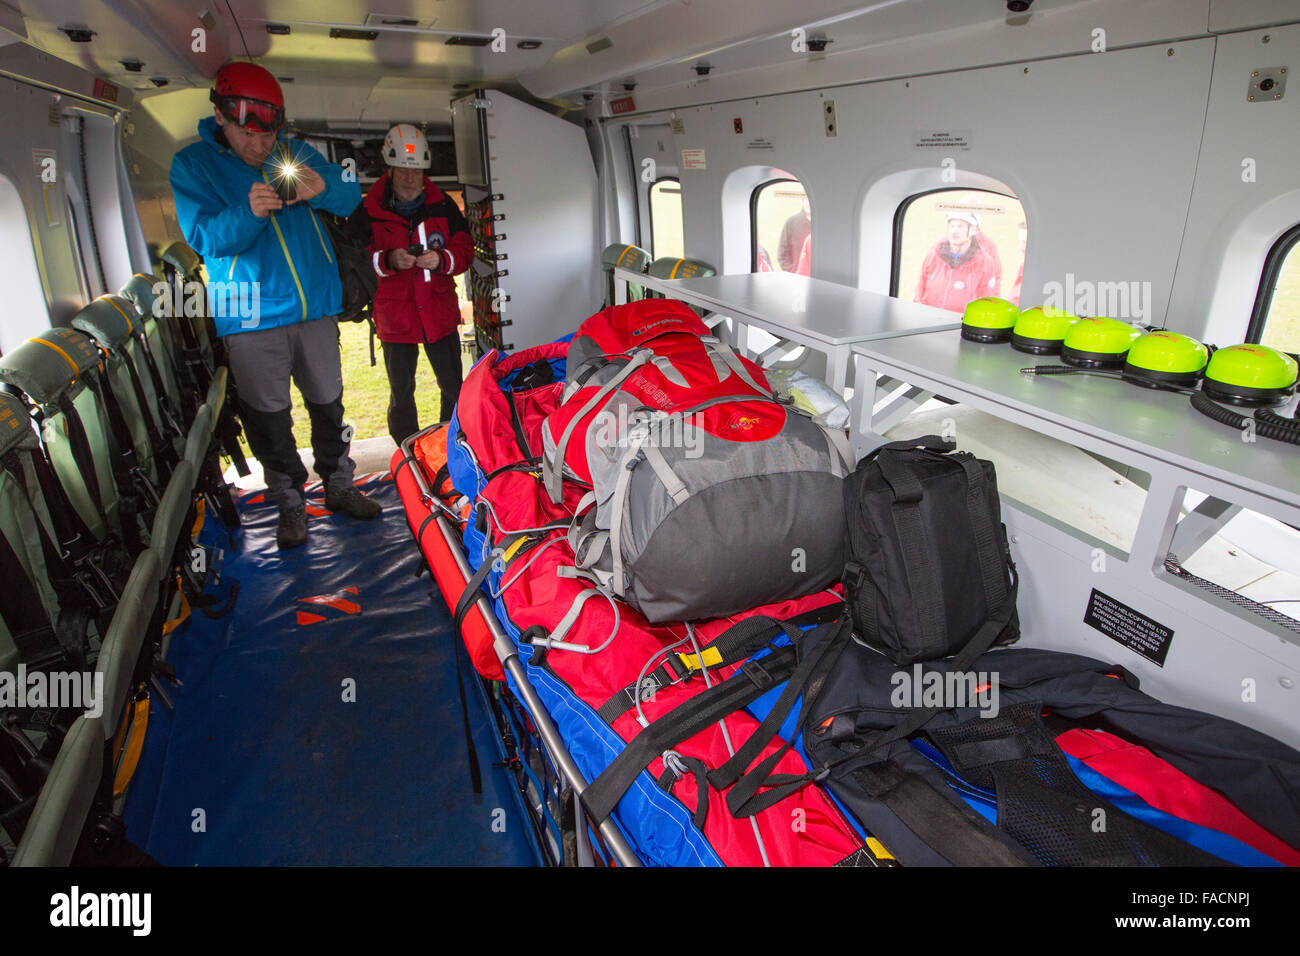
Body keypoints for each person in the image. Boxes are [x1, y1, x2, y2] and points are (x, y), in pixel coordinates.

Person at [169, 61, 375, 550]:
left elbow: (349, 197)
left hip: (314, 310)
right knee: (269, 417)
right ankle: (289, 503)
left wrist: (323, 187)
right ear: (221, 116)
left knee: (329, 404)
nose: (261, 146)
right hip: (250, 315)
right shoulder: (193, 165)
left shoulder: (293, 152)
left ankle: (340, 484)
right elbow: (206, 238)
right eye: (249, 134)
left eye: (269, 136)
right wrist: (251, 210)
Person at [351, 123, 472, 444]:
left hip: (439, 314)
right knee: (401, 393)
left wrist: (443, 259)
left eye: (416, 170)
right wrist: (388, 260)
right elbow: (356, 261)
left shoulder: (443, 206)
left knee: (452, 385)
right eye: (403, 169)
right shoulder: (368, 211)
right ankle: (407, 451)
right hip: (396, 320)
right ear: (390, 168)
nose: (409, 177)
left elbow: (464, 249)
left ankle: (451, 445)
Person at [914, 210, 1001, 312]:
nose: (954, 231)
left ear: (973, 230)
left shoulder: (984, 262)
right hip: (931, 320)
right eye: (952, 226)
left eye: (960, 226)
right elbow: (919, 290)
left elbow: (987, 299)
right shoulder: (934, 254)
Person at [776, 194, 812, 273]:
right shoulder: (791, 223)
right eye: (806, 199)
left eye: (811, 200)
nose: (808, 203)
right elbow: (782, 254)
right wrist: (793, 272)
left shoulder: (824, 224)